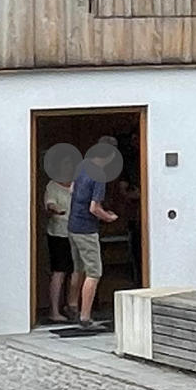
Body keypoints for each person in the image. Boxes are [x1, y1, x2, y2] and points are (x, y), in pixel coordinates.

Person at [67, 138, 120, 331]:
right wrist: (109, 217)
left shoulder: (82, 166)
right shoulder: (99, 175)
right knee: (94, 272)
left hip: (73, 225)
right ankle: (85, 317)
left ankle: (72, 306)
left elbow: (72, 189)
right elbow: (94, 208)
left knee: (78, 268)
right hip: (87, 230)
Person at [42, 168, 74, 324]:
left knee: (76, 271)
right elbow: (50, 204)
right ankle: (54, 311)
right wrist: (56, 209)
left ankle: (72, 306)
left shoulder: (77, 184)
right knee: (59, 272)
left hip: (77, 233)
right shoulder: (52, 186)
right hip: (58, 233)